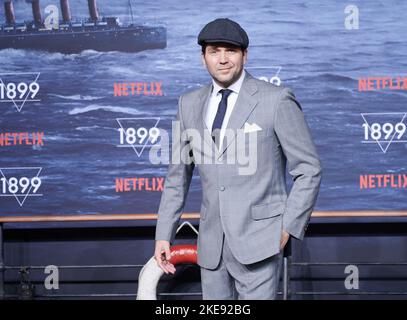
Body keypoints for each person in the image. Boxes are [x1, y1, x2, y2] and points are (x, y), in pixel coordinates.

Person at [154, 18, 322, 300]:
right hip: (211, 247)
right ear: (202, 57)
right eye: (214, 51)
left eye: (230, 51)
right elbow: (176, 177)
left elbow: (309, 169)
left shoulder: (276, 100)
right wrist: (163, 234)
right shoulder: (188, 103)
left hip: (260, 241)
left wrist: (287, 227)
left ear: (245, 54)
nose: (222, 60)